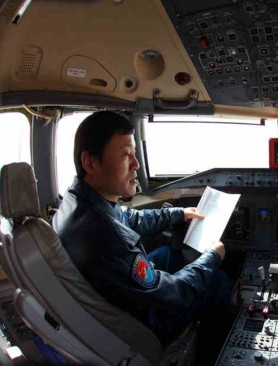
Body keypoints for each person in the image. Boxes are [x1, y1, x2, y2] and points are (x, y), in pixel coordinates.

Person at [52, 110, 231, 345]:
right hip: (143, 323)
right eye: (126, 155)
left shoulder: (81, 201)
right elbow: (174, 294)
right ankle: (215, 350)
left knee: (170, 253)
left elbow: (131, 219)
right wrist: (211, 257)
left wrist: (178, 214)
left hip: (117, 295)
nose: (136, 164)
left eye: (135, 154)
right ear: (91, 162)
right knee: (215, 279)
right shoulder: (102, 235)